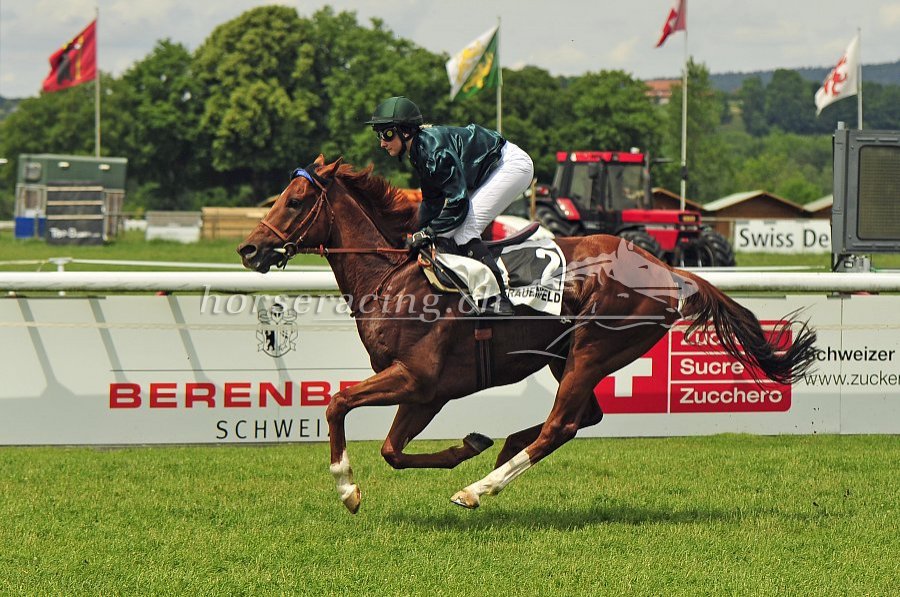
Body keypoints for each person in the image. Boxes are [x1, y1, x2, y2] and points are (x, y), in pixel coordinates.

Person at [365, 96, 534, 316]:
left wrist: (428, 232)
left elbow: (458, 203)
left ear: (405, 131)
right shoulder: (419, 151)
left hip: (511, 166)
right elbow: (432, 201)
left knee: (465, 230)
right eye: (379, 135)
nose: (382, 142)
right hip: (490, 170)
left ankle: (496, 299)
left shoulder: (433, 151)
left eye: (386, 134)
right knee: (445, 234)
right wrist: (417, 232)